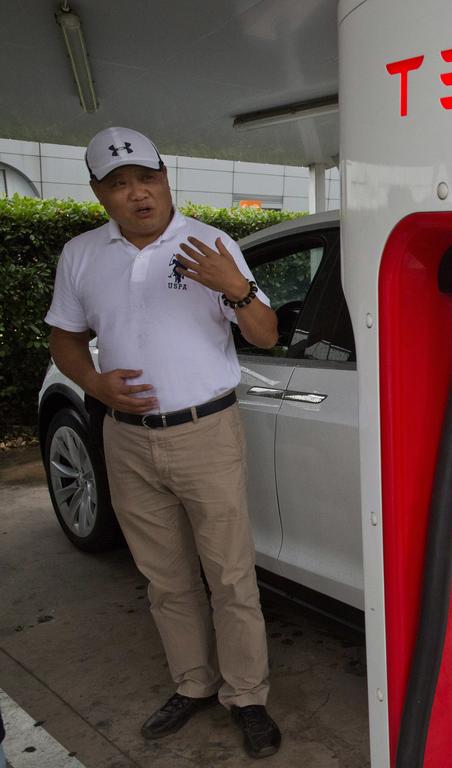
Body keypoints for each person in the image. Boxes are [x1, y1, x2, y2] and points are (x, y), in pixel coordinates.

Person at [44, 127, 282, 759]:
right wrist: (94, 382)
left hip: (207, 432)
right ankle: (194, 684)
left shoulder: (212, 242)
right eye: (119, 185)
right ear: (99, 193)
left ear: (165, 176)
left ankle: (247, 696)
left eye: (146, 178)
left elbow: (263, 334)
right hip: (126, 439)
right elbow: (64, 337)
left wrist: (237, 286)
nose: (137, 194)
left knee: (230, 574)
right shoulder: (82, 255)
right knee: (165, 577)